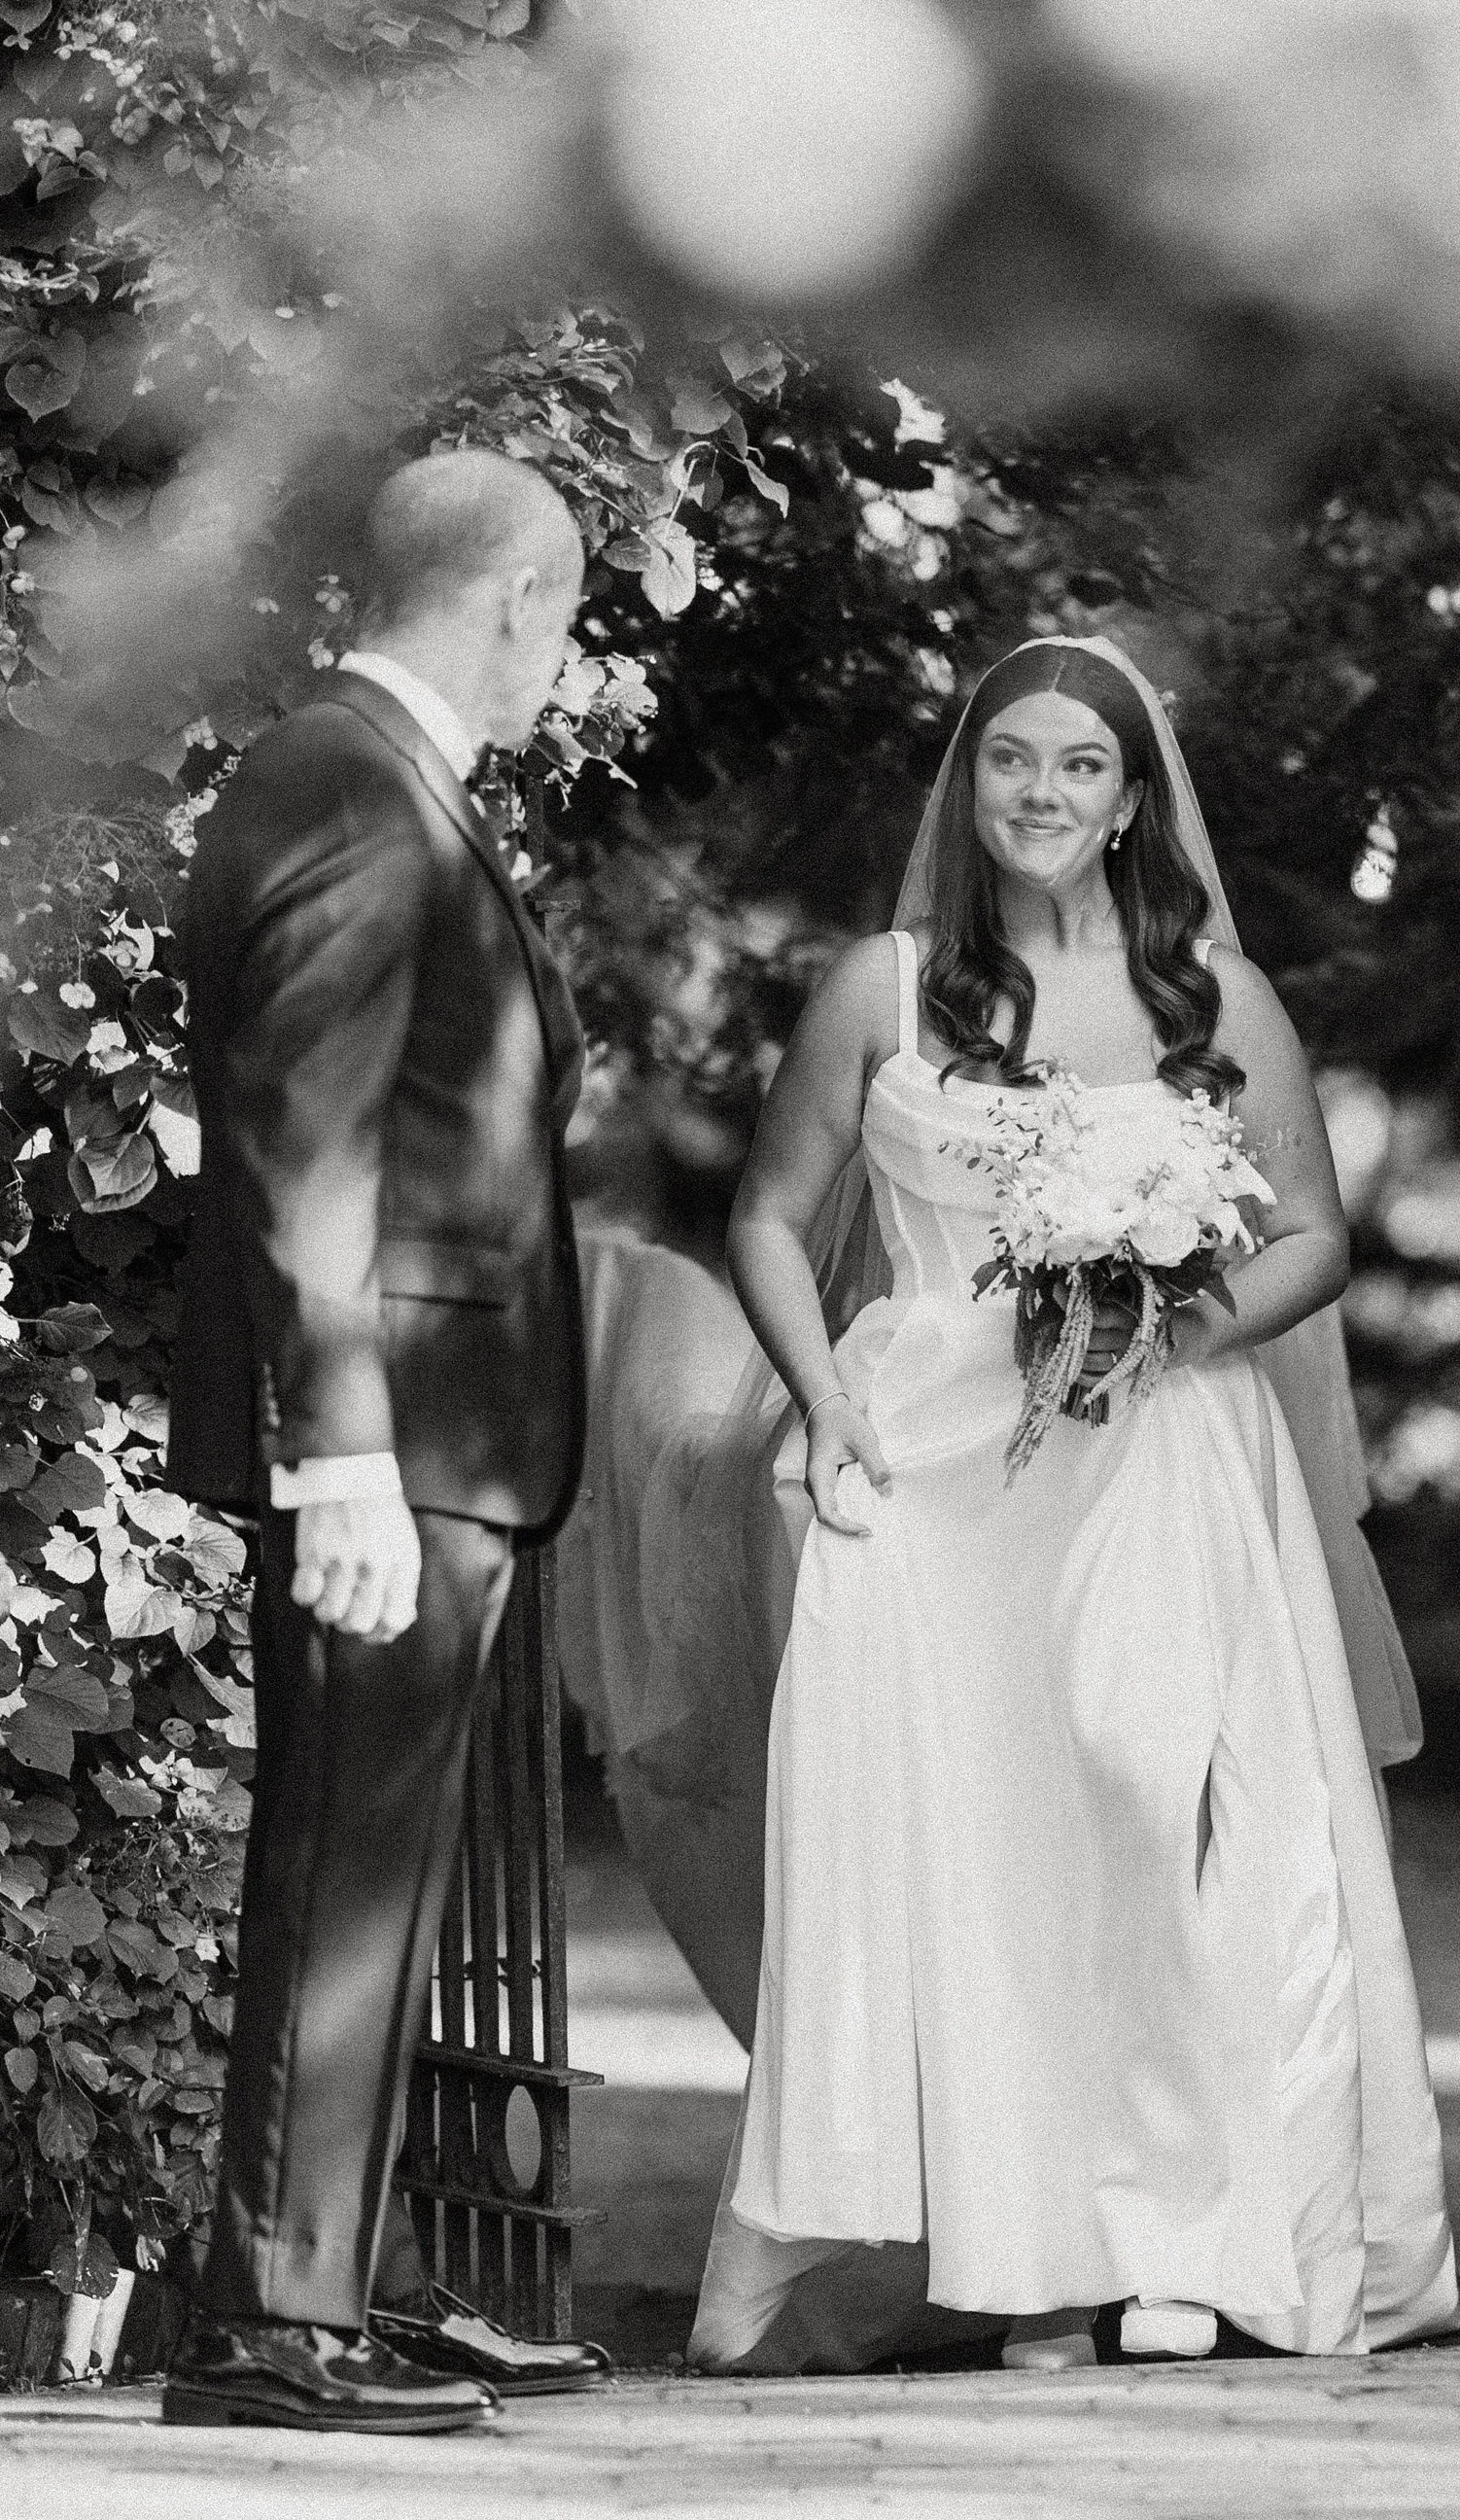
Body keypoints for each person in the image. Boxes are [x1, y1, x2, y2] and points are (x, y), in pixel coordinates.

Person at [574, 635, 1459, 2374]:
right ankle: (1031, 2271)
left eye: (1079, 765)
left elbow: (1313, 1236)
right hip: (929, 1464)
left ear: (1131, 802)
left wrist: (1179, 1326)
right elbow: (770, 1216)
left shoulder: (1214, 997)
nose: (1039, 793)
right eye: (1009, 759)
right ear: (967, 780)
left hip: (1157, 1453)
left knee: (1148, 1800)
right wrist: (827, 1405)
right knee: (968, 1855)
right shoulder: (885, 987)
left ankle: (1182, 2236)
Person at [162, 449, 609, 2431]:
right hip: (396, 1432)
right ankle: (271, 2324)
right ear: (515, 599)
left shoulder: (372, 774)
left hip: (441, 1428)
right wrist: (337, 1447)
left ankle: (343, 2281)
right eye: (564, 622)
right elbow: (308, 1133)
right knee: (343, 1868)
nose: (559, 659)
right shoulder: (352, 785)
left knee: (382, 1868)